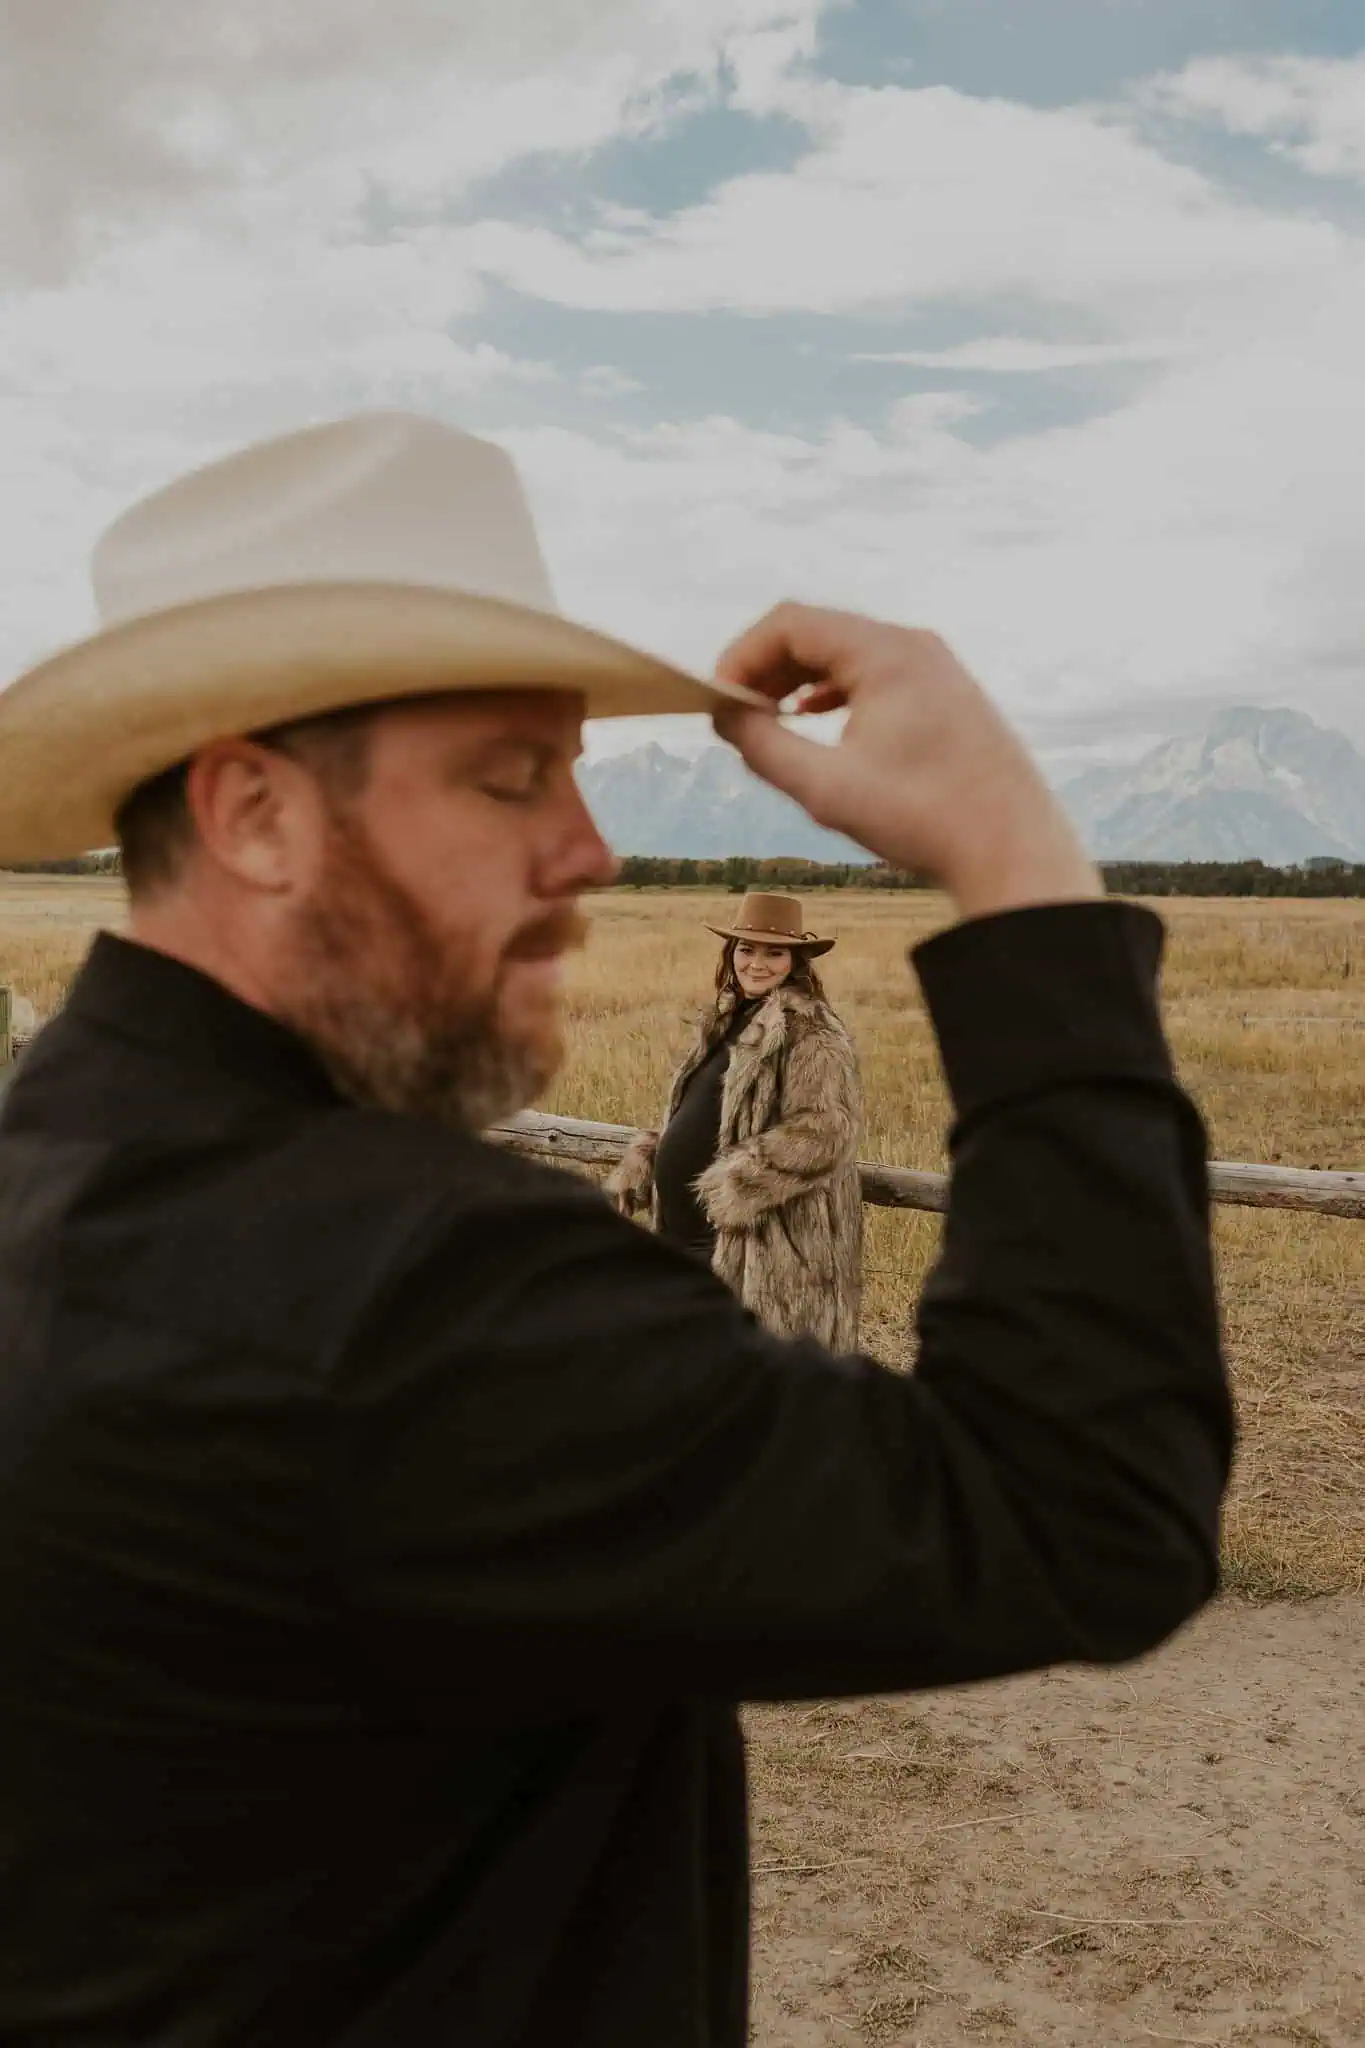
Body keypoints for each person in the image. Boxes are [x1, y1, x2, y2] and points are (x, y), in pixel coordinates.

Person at [0, 411, 1232, 2048]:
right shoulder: (412, 1293)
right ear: (255, 816)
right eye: (513, 775)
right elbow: (1087, 1505)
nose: (589, 849)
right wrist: (1021, 867)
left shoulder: (46, 1180)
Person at [610, 892, 863, 1347]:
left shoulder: (812, 1031)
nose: (756, 963)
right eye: (746, 949)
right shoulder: (727, 1018)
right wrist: (649, 1157)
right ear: (731, 954)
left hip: (751, 1245)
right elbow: (701, 1115)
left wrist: (737, 1184)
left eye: (773, 952)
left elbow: (826, 1130)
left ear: (796, 960)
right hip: (681, 1233)